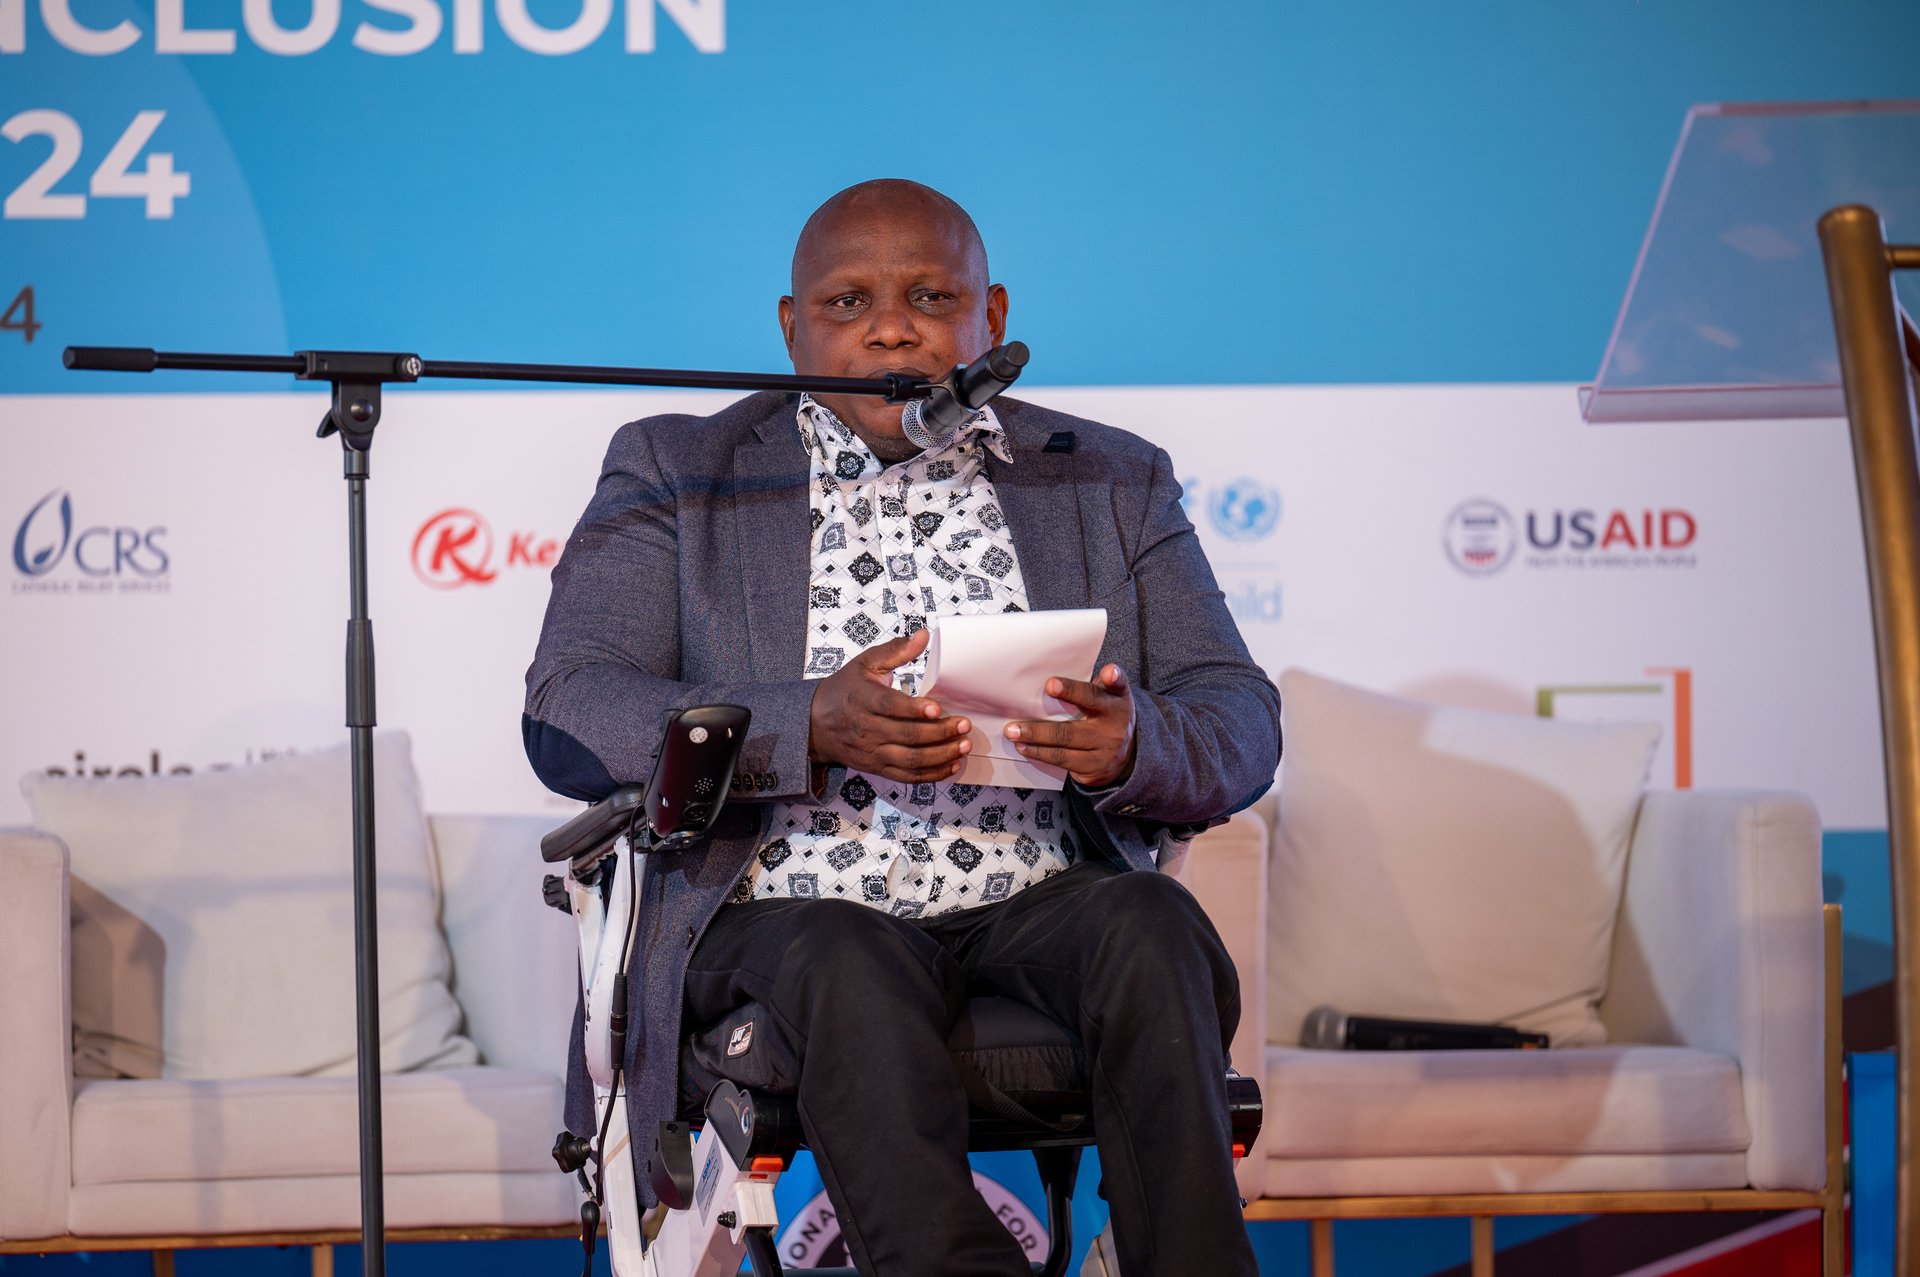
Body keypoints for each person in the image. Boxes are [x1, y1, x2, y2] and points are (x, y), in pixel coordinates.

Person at [524, 178, 1280, 1277]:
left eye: (931, 296)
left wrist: (1132, 743)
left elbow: (1239, 716)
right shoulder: (679, 470)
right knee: (850, 958)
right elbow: (571, 706)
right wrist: (808, 722)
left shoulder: (1110, 477)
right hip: (783, 913)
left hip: (1034, 901)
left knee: (1152, 921)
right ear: (791, 327)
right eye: (848, 302)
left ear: (992, 317)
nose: (891, 327)